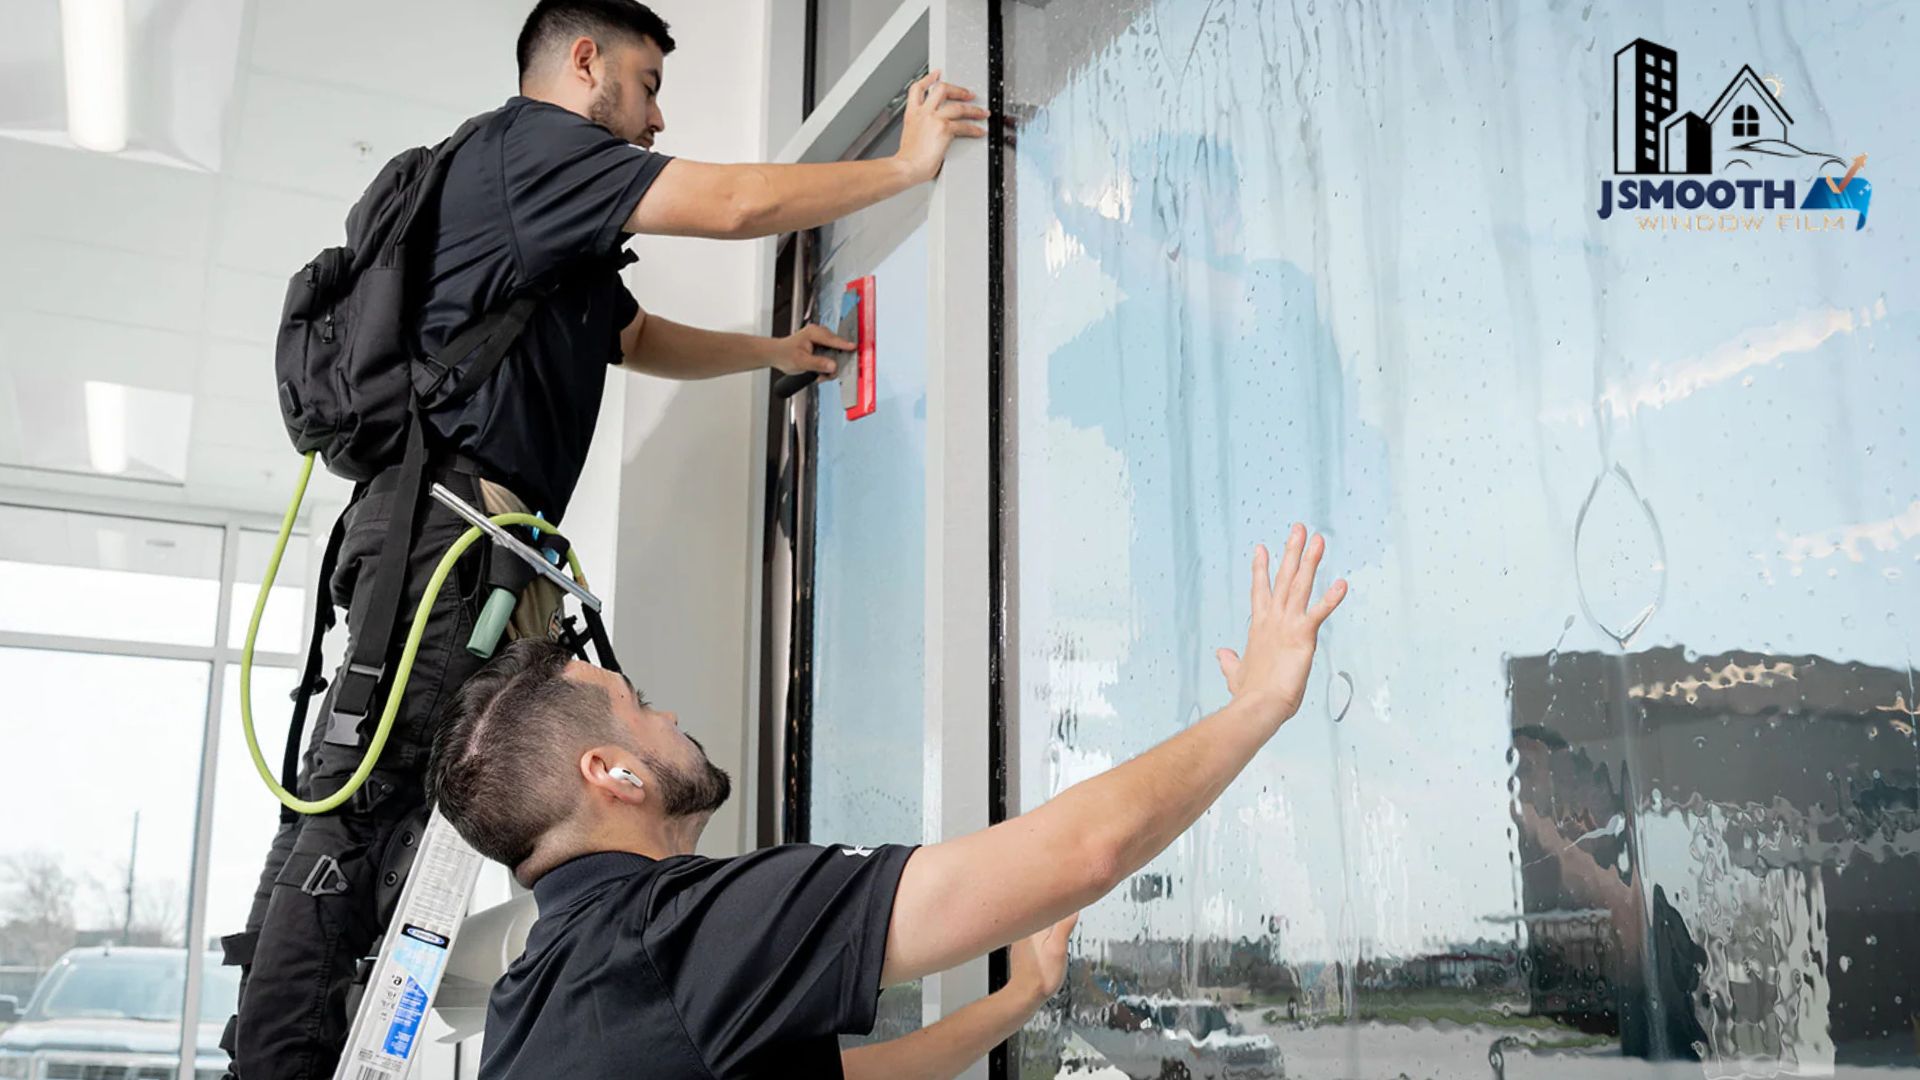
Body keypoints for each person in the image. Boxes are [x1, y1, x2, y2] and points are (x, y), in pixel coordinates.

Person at [220, 2, 990, 1077]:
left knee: (422, 805)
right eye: (646, 81)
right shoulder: (530, 150)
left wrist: (770, 349)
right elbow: (737, 202)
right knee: (369, 815)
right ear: (585, 63)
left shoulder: (535, 214)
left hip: (476, 548)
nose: (657, 115)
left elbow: (627, 337)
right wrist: (905, 168)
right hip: (447, 547)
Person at [430, 527, 1348, 1078]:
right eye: (639, 708)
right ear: (614, 775)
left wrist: (1023, 994)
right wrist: (1258, 706)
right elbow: (1081, 855)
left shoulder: (532, 1005)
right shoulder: (671, 935)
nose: (666, 714)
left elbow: (870, 1076)